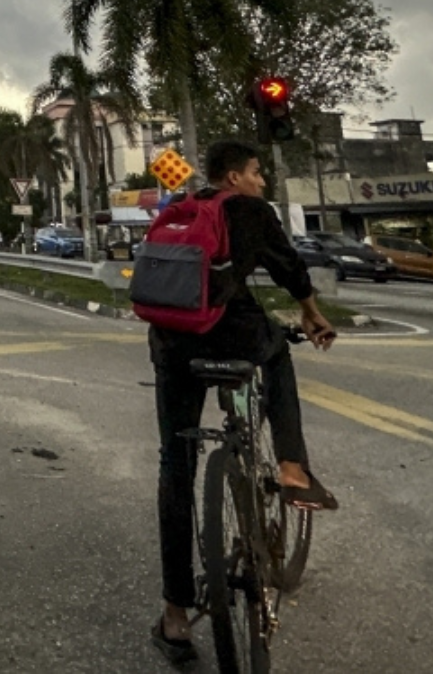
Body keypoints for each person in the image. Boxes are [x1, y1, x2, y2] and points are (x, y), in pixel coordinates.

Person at [150, 139, 338, 665]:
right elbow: (289, 268)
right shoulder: (248, 210)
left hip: (171, 344)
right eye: (257, 173)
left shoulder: (177, 209)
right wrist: (310, 311)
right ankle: (294, 467)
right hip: (231, 336)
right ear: (233, 177)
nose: (262, 182)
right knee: (277, 354)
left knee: (175, 465)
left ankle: (174, 615)